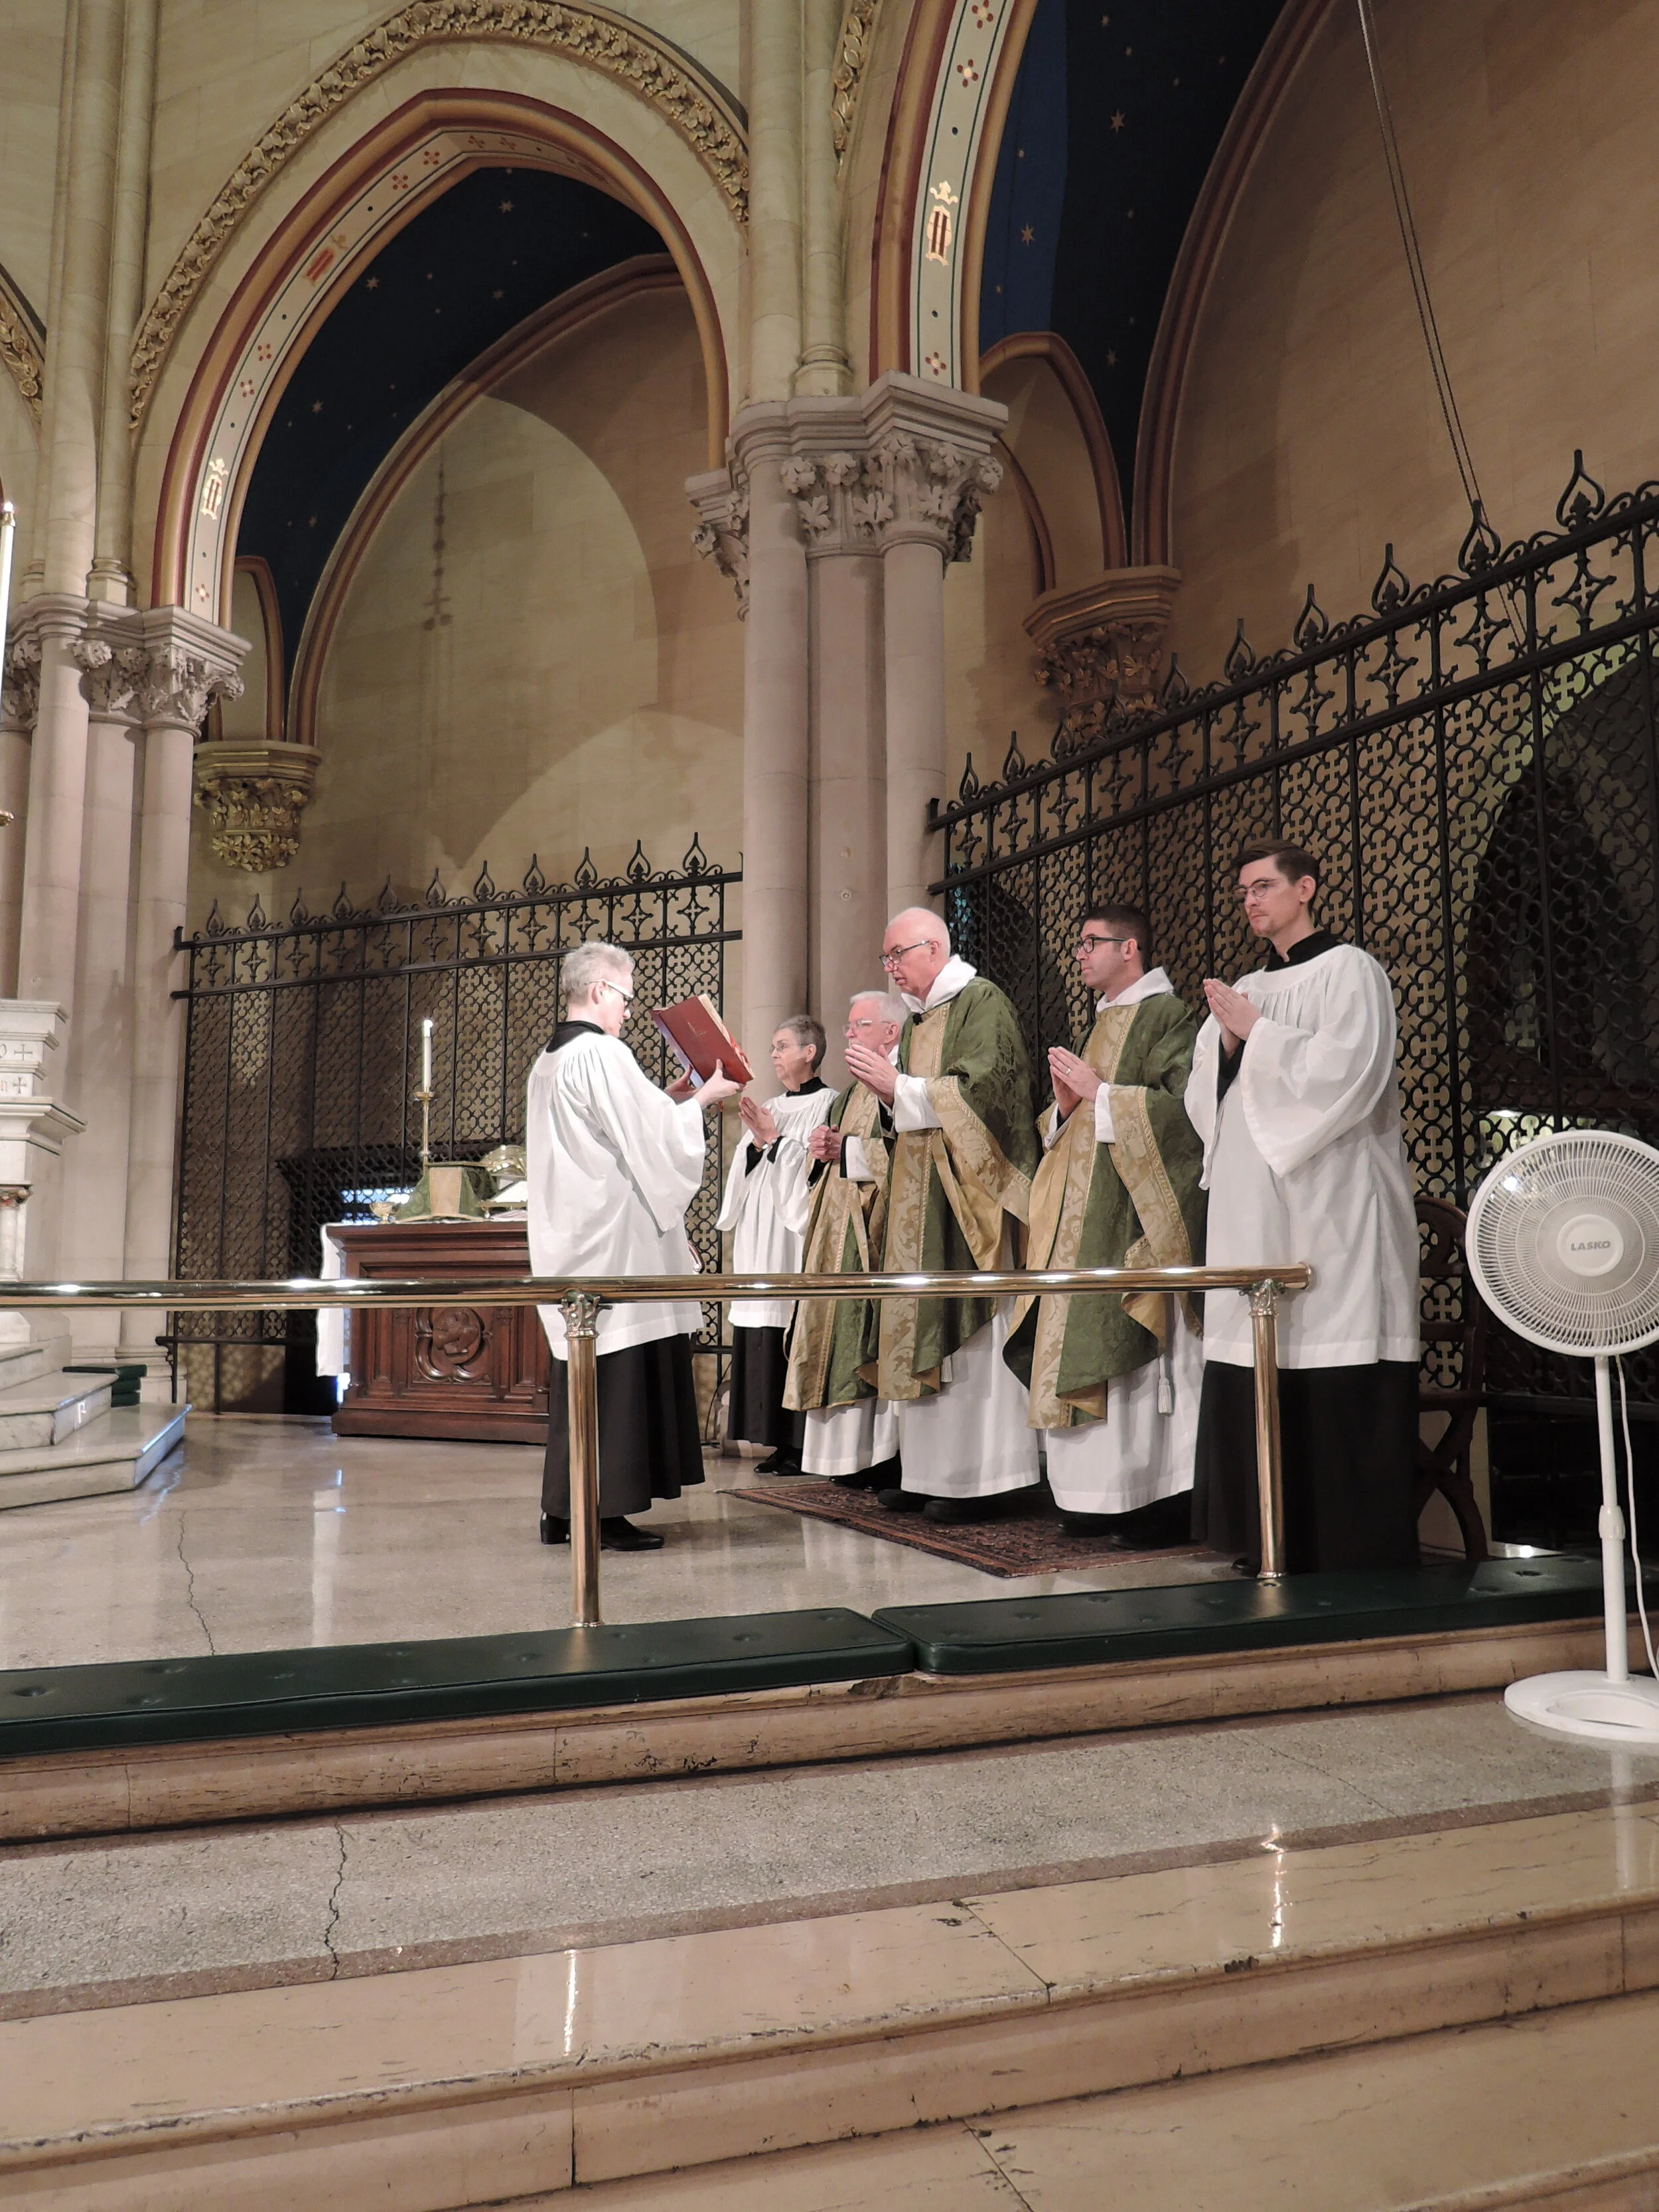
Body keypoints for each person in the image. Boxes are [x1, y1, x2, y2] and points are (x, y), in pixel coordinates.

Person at [1187, 840, 1421, 1573]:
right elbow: (1208, 1100)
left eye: (1264, 886)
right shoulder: (1248, 987)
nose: (1251, 900)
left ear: (1305, 889)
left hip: (1334, 1199)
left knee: (1329, 1335)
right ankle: (1267, 1536)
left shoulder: (1350, 970)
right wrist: (1228, 1046)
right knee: (1258, 1347)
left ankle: (1348, 1548)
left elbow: (1347, 1073)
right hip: (1253, 1205)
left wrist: (1257, 1034)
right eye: (1244, 891)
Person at [528, 940, 739, 1551]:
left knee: (581, 1375)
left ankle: (562, 1508)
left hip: (572, 1237)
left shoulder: (550, 1058)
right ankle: (605, 1511)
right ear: (598, 991)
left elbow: (622, 1130)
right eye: (624, 995)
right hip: (612, 1245)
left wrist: (669, 1100)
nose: (627, 1008)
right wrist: (702, 1097)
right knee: (615, 1379)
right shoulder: (602, 1052)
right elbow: (648, 1142)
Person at [1005, 905, 1206, 1543]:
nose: (1080, 954)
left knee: (1131, 1353)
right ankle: (1088, 1498)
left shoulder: (1168, 1015)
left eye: (1092, 942)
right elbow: (1073, 1120)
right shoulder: (1100, 1022)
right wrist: (1063, 1111)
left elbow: (1187, 1115)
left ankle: (1152, 1500)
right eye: (1079, 943)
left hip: (1129, 1213)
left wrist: (1102, 1095)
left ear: (1132, 949)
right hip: (1078, 1214)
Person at [847, 909, 1041, 1524]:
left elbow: (989, 1092)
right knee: (920, 1324)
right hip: (920, 1193)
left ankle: (983, 1479)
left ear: (934, 948)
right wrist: (889, 1094)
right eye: (886, 958)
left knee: (971, 1334)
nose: (891, 967)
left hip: (969, 1198)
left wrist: (899, 1088)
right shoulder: (919, 1018)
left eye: (897, 954)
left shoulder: (982, 1002)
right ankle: (929, 1470)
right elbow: (904, 1101)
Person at [784, 992, 905, 1491]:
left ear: (890, 1032)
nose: (850, 1033)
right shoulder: (846, 1094)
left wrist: (850, 1150)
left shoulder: (897, 1086)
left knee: (864, 1340)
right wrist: (820, 1154)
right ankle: (843, 1459)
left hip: (874, 1235)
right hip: (834, 1231)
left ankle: (879, 1457)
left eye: (860, 1025)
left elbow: (910, 1158)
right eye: (850, 1025)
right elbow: (832, 1161)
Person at [717, 1016, 835, 1474]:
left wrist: (773, 1139)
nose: (774, 1053)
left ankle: (801, 1443)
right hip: (758, 1237)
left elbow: (812, 1171)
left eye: (783, 1045)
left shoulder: (830, 1105)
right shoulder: (769, 1104)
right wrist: (755, 1146)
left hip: (792, 1239)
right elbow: (741, 1171)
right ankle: (776, 1442)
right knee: (760, 1334)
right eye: (772, 1045)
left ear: (810, 1052)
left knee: (789, 1332)